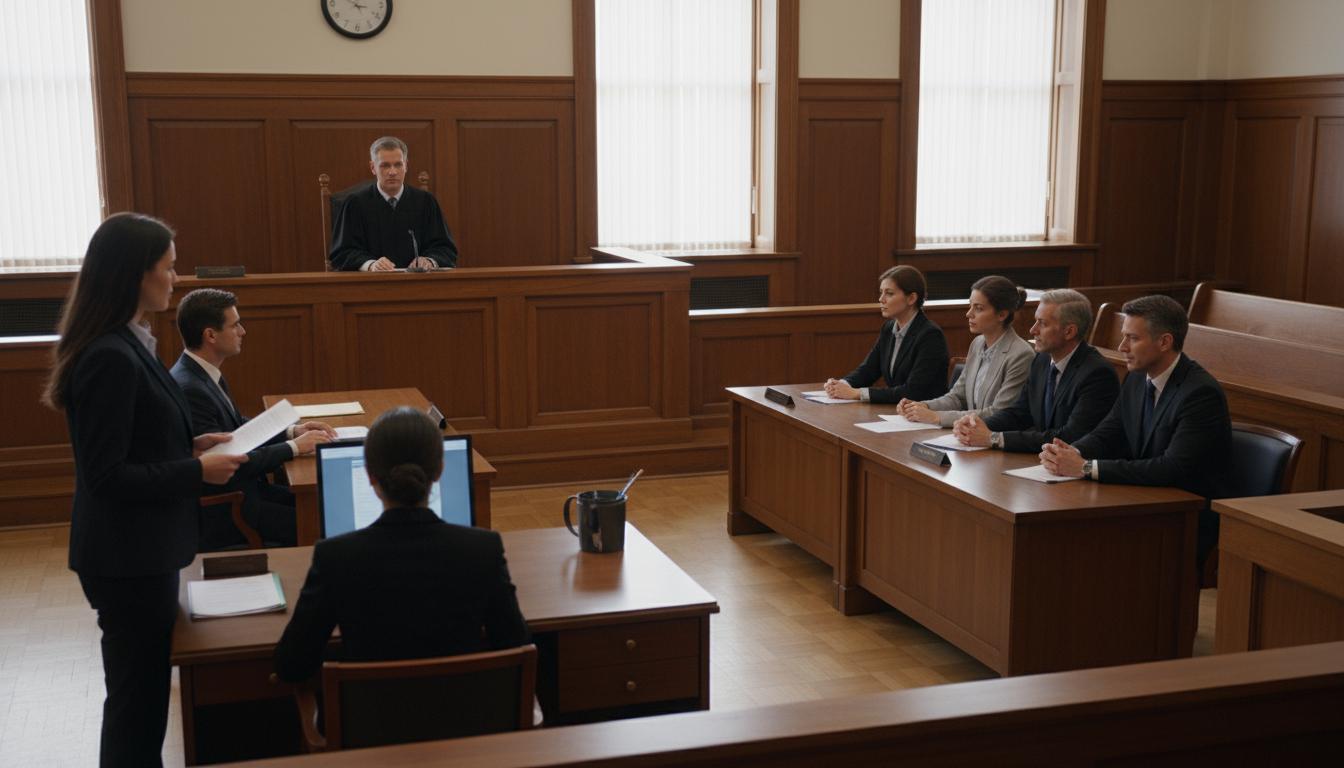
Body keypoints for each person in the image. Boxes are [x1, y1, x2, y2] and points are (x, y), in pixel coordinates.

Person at [42, 213, 247, 768]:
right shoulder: (108, 355)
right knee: (136, 708)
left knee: (145, 702)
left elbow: (138, 440)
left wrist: (191, 444)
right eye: (168, 268)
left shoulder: (131, 341)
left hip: (144, 549)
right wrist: (195, 472)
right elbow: (107, 476)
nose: (176, 279)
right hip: (126, 557)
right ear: (136, 273)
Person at [274, 407, 529, 683]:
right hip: (469, 709)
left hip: (368, 710)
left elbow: (292, 665)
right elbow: (517, 646)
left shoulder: (335, 556)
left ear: (370, 475)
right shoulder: (484, 549)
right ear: (440, 471)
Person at [1039, 295, 1232, 571]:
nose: (1122, 347)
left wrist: (1085, 467)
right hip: (1144, 501)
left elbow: (1172, 467)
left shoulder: (1200, 393)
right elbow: (1110, 431)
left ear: (1164, 342)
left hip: (1186, 518)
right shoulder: (1138, 377)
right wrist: (1069, 453)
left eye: (1132, 338)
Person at [170, 288, 336, 549]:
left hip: (250, 492)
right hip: (231, 509)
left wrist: (293, 431)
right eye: (235, 325)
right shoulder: (191, 388)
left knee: (327, 505)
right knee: (328, 524)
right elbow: (229, 462)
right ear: (210, 335)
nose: (243, 331)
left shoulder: (200, 372)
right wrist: (294, 447)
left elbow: (236, 429)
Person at [953, 288, 1119, 451]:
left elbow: (1070, 436)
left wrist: (994, 438)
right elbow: (1020, 413)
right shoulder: (1042, 360)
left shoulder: (1098, 375)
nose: (1033, 330)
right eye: (1035, 321)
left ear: (1069, 331)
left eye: (1043, 323)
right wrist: (976, 424)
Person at [896, 275, 1034, 427]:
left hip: (995, 435)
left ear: (1002, 314)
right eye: (970, 306)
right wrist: (922, 406)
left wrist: (936, 417)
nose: (969, 314)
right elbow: (957, 397)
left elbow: (999, 413)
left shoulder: (1021, 354)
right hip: (968, 433)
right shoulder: (977, 343)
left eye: (978, 308)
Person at [329, 135, 459, 271]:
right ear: (373, 167)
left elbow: (446, 249)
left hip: (417, 281)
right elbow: (341, 253)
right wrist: (371, 264)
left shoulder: (425, 202)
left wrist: (429, 260)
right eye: (385, 165)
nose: (392, 172)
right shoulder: (355, 204)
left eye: (398, 164)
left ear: (406, 166)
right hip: (372, 282)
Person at [824, 265, 949, 403]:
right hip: (898, 410)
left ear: (911, 298)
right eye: (881, 292)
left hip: (924, 411)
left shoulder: (930, 335)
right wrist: (841, 385)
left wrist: (858, 393)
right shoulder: (888, 328)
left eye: (889, 293)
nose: (881, 299)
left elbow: (913, 391)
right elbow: (869, 369)